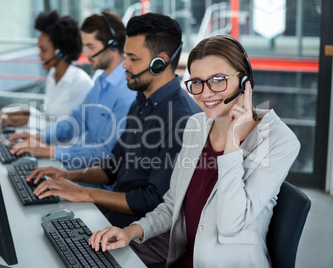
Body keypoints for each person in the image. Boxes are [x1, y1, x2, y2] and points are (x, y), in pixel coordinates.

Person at [88, 35, 301, 268]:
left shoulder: (279, 141)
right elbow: (172, 204)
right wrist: (132, 231)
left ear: (245, 80)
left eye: (218, 80)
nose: (206, 93)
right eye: (197, 82)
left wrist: (232, 144)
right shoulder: (196, 125)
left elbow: (231, 225)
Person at [26, 13, 201, 265]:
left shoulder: (182, 119)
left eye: (132, 58)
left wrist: (84, 193)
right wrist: (68, 176)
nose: (124, 65)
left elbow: (152, 200)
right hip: (115, 219)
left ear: (159, 63)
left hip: (144, 235)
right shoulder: (141, 101)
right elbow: (113, 166)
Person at [6, 11, 135, 175]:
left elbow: (105, 153)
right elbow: (77, 119)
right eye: (84, 46)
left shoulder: (128, 92)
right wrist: (41, 138)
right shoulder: (101, 81)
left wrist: (49, 151)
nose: (86, 54)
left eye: (91, 47)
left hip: (96, 182)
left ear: (113, 46)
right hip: (77, 168)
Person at [0, 11, 93, 128]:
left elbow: (72, 130)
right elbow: (50, 117)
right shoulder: (53, 74)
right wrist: (26, 113)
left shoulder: (81, 84)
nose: (40, 55)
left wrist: (28, 121)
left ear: (60, 52)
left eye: (44, 50)